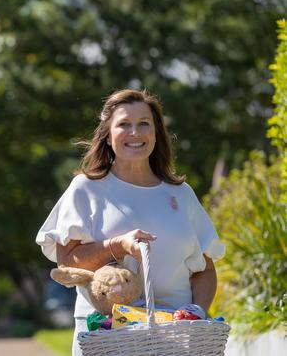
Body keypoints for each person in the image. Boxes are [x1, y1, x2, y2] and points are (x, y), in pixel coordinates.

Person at [35, 89, 224, 356]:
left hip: (176, 335)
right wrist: (117, 245)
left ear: (156, 134)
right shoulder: (86, 189)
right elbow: (66, 263)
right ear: (108, 135)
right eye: (124, 124)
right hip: (108, 334)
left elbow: (204, 268)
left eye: (144, 124)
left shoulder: (181, 195)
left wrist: (197, 312)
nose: (135, 132)